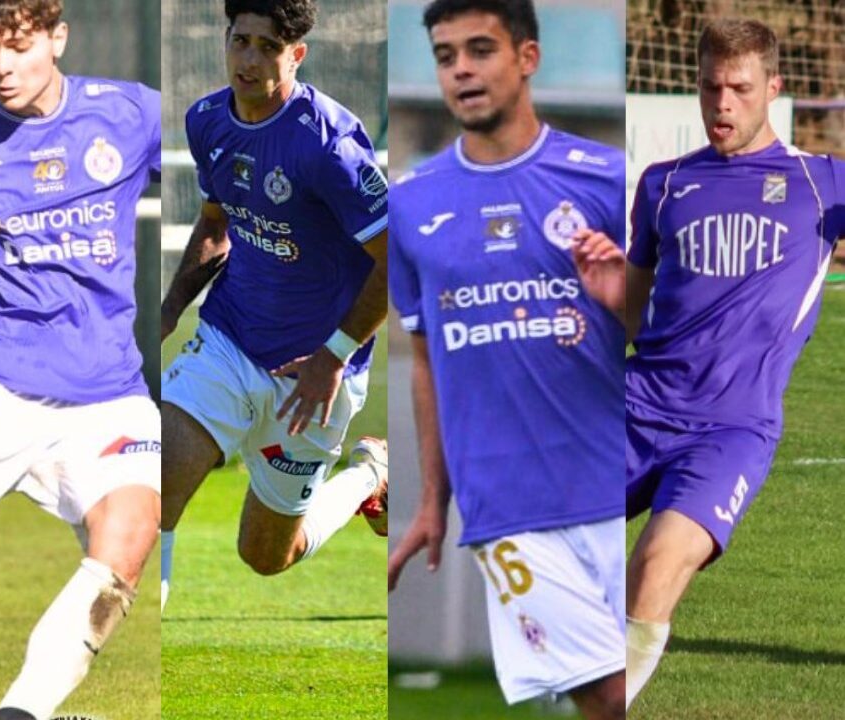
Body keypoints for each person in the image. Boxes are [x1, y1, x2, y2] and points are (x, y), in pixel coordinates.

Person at [0, 1, 161, 719]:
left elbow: (227, 162)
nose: (2, 67)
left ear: (57, 38)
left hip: (111, 391)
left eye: (17, 48)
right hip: (1, 380)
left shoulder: (131, 114)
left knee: (128, 545)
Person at [387, 0, 626, 717]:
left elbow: (666, 334)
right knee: (608, 696)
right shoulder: (411, 204)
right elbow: (425, 357)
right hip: (506, 503)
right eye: (445, 54)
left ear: (527, 58)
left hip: (617, 482)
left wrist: (623, 294)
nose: (460, 68)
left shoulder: (610, 181)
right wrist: (433, 497)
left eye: (480, 49)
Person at [624, 18, 845, 710]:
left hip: (729, 431)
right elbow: (626, 314)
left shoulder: (822, 184)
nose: (723, 104)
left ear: (773, 90)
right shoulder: (663, 185)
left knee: (655, 568)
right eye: (710, 87)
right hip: (633, 407)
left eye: (740, 89)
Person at [159, 0, 388, 610]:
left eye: (266, 46)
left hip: (313, 376)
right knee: (151, 493)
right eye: (240, 41)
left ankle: (370, 475)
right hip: (228, 344)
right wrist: (166, 310)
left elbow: (400, 262)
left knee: (266, 557)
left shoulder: (329, 146)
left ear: (297, 55)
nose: (249, 59)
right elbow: (215, 228)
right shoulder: (206, 120)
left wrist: (334, 356)